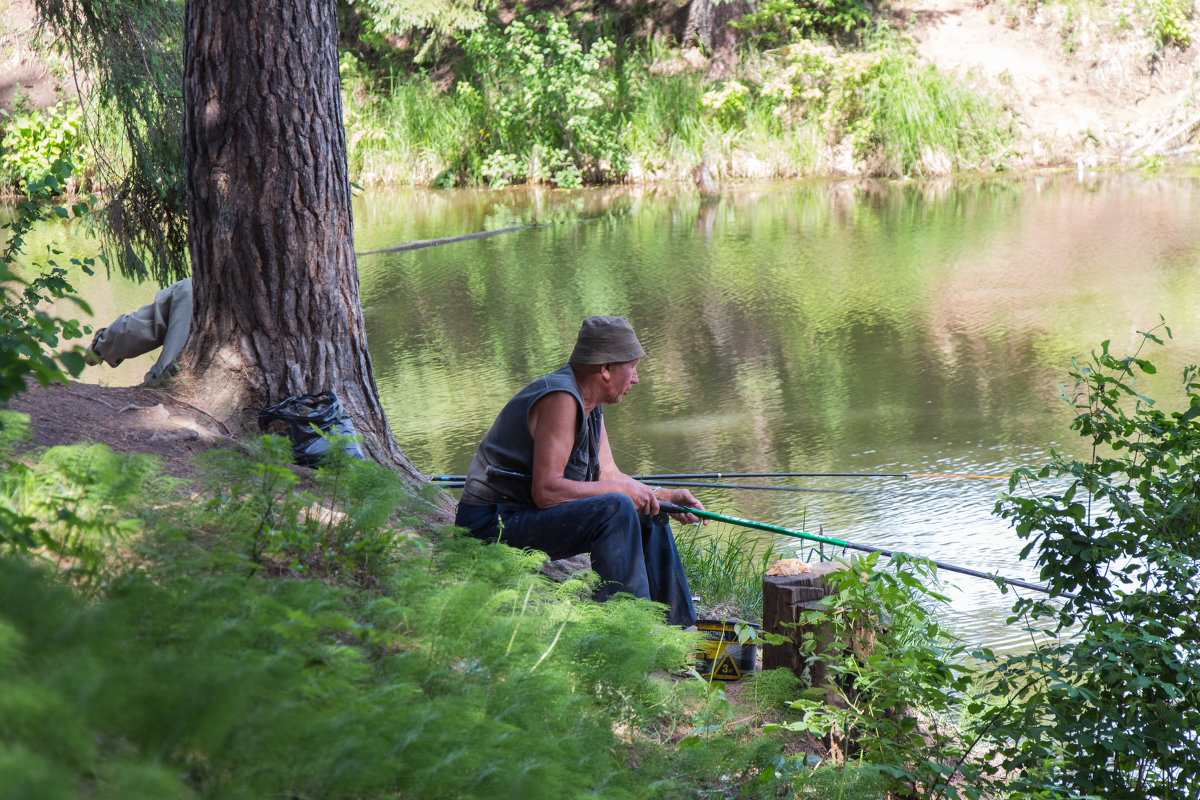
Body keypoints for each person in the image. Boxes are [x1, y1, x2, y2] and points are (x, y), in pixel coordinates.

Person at [455, 315, 705, 628]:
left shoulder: (590, 403)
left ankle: (679, 628)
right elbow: (546, 492)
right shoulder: (561, 399)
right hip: (490, 525)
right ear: (606, 369)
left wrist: (661, 496)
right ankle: (626, 631)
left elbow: (609, 476)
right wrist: (623, 495)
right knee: (617, 507)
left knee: (643, 509)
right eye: (633, 366)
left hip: (522, 516)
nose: (637, 379)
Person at [85, 278, 192, 386]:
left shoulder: (193, 288)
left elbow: (143, 325)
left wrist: (100, 348)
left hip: (168, 387)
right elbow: (143, 325)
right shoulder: (195, 288)